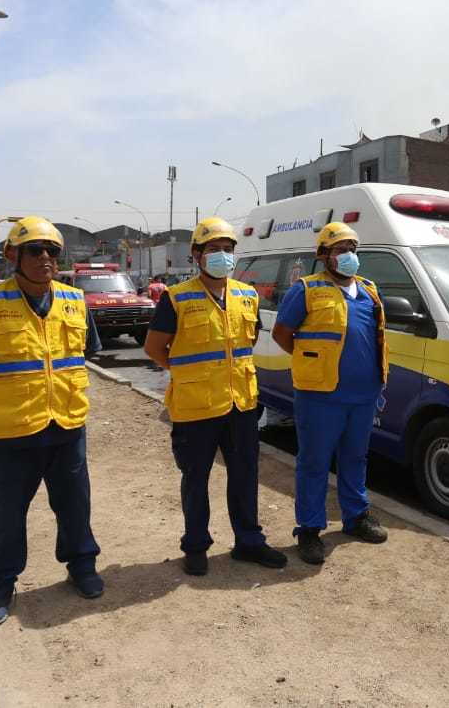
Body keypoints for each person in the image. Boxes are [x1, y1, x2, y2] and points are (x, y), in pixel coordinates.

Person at [0, 216, 105, 628]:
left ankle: (82, 566)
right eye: (35, 250)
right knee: (7, 515)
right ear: (12, 256)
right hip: (12, 432)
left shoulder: (75, 301)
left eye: (52, 250)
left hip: (66, 425)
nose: (45, 257)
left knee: (75, 505)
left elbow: (85, 351)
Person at [143, 217, 286, 576]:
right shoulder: (176, 298)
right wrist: (187, 372)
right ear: (196, 255)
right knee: (196, 479)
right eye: (213, 249)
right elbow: (154, 348)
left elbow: (248, 341)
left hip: (241, 404)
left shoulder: (247, 295)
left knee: (245, 476)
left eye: (227, 249)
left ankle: (249, 542)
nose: (222, 255)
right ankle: (195, 545)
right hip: (196, 407)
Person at [271, 221, 389, 566]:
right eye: (340, 250)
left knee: (355, 458)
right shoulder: (306, 289)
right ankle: (309, 529)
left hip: (363, 394)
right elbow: (282, 334)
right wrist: (311, 361)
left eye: (352, 249)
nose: (348, 255)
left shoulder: (369, 290)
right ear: (323, 255)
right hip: (320, 394)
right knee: (314, 462)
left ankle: (356, 517)